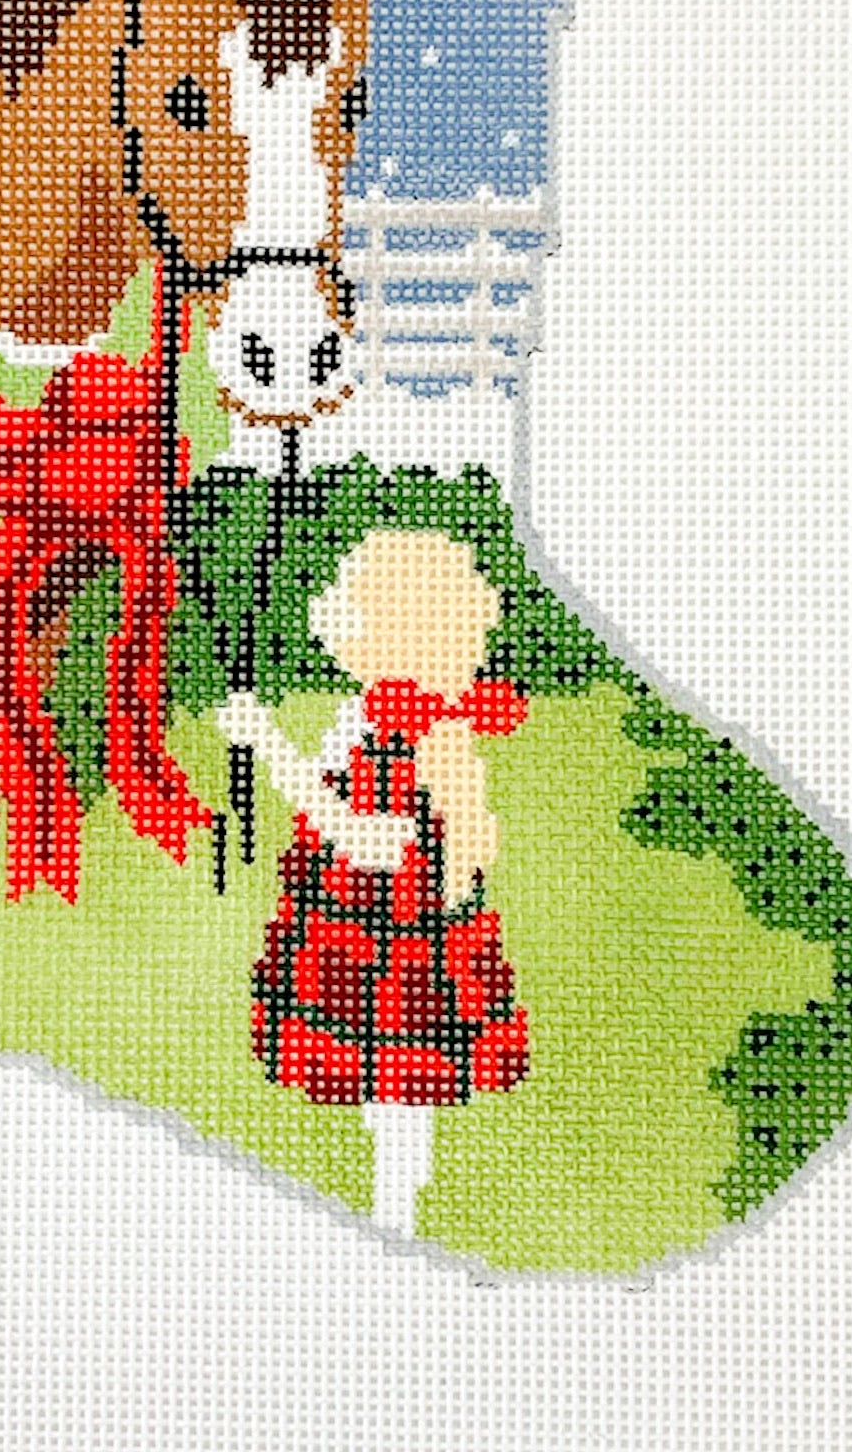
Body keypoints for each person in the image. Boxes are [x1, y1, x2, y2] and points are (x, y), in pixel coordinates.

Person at [216, 528, 531, 1236]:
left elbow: (371, 841)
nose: (326, 610)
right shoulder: (365, 714)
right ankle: (397, 1193)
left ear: (397, 631)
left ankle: (397, 1213)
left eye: (347, 599)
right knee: (382, 1082)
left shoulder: (405, 732)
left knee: (396, 1074)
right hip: (363, 927)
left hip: (390, 941)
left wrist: (268, 745)